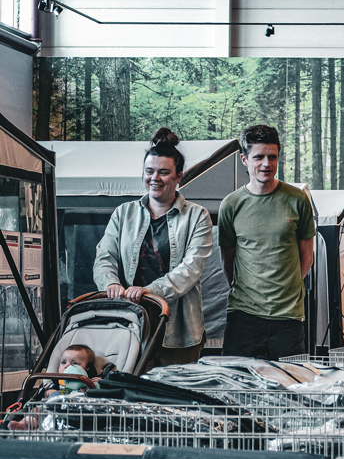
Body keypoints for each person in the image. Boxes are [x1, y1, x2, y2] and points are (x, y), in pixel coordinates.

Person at [94, 128, 213, 365]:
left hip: (180, 332)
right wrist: (111, 284)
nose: (155, 178)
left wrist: (151, 291)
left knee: (175, 399)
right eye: (149, 172)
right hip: (129, 326)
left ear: (179, 176)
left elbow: (191, 269)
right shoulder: (123, 213)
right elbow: (104, 257)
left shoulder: (197, 216)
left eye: (164, 172)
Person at [219, 125, 316, 360]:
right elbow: (228, 260)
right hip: (243, 315)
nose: (266, 164)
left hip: (288, 317)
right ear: (244, 159)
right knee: (237, 387)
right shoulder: (231, 205)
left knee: (289, 389)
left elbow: (307, 256)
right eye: (259, 157)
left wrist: (287, 287)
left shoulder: (298, 199)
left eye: (272, 157)